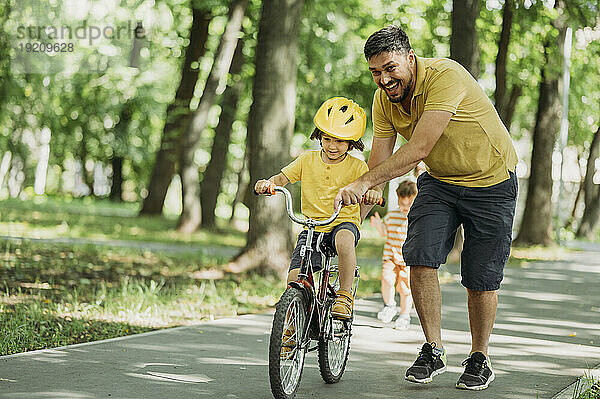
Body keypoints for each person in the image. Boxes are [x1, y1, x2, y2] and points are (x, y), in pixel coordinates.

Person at [334, 26, 518, 391]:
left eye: (390, 68)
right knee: (417, 255)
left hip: (490, 182)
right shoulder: (383, 99)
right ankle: (433, 349)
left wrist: (365, 182)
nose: (384, 80)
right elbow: (380, 157)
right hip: (440, 181)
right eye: (375, 72)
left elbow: (418, 148)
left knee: (480, 278)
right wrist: (361, 206)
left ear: (410, 57)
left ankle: (479, 357)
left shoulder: (445, 76)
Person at [254, 97, 381, 320]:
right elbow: (282, 178)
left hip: (344, 222)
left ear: (351, 143)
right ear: (319, 135)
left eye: (340, 141)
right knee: (295, 277)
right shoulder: (307, 160)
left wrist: (372, 193)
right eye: (327, 138)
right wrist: (269, 183)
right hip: (313, 226)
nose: (332, 146)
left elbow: (370, 189)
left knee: (343, 240)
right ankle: (291, 323)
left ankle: (344, 295)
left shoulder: (358, 166)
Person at [370, 180, 417, 330]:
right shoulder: (392, 216)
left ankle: (404, 315)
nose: (405, 208)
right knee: (387, 280)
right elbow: (384, 232)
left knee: (405, 289)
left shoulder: (416, 218)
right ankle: (389, 305)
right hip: (390, 256)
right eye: (402, 204)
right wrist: (378, 225)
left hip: (407, 260)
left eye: (408, 204)